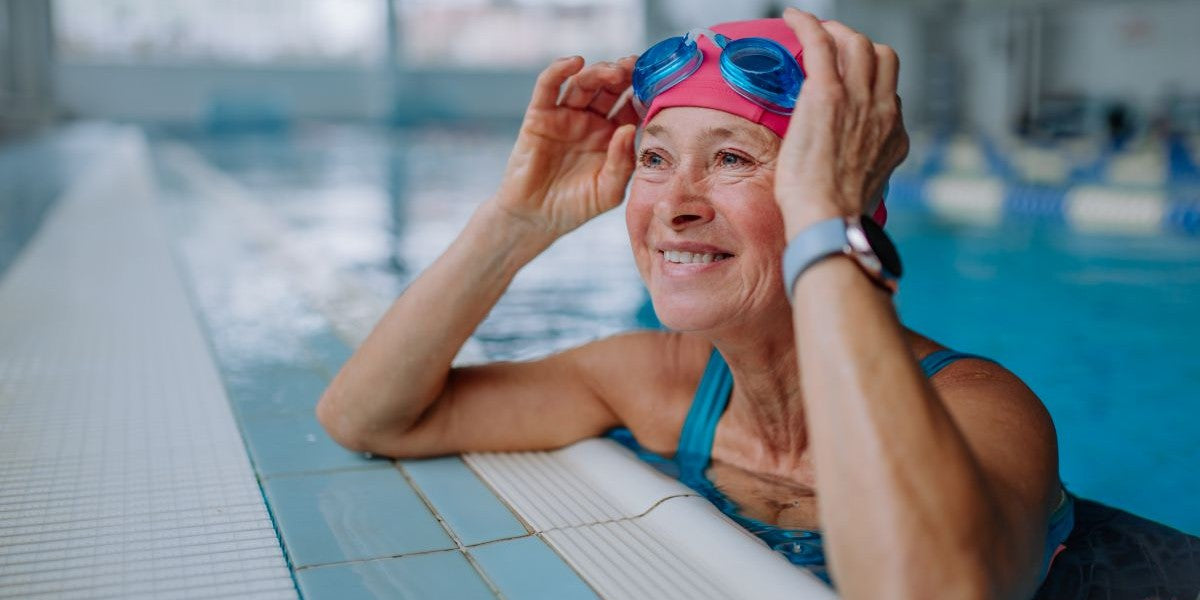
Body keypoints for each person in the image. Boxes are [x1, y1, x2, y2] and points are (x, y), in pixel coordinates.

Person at [315, 10, 1179, 598]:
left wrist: (824, 224)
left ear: (838, 196)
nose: (675, 204)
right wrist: (516, 221)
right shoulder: (652, 381)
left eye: (733, 159)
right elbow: (372, 419)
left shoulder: (981, 409)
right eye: (655, 159)